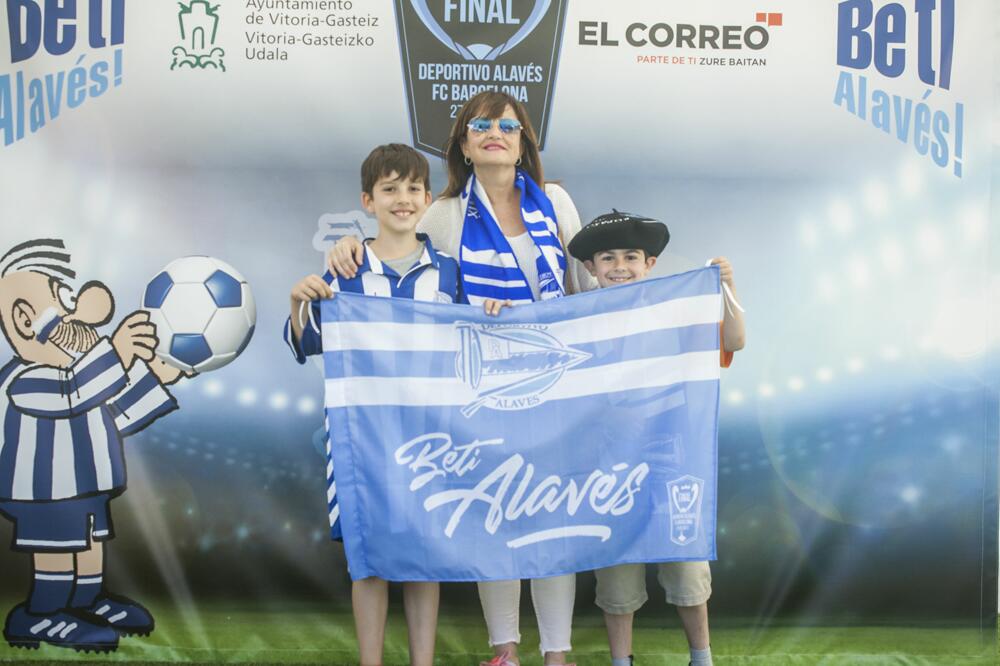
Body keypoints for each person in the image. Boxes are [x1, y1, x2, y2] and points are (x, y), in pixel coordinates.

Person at [326, 92, 597, 666]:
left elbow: (583, 285)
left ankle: (557, 655)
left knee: (554, 522)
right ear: (464, 145)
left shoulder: (554, 201)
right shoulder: (445, 213)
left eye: (508, 126)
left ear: (523, 142)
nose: (495, 132)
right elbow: (400, 250)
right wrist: (348, 245)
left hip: (554, 382)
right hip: (485, 385)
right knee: (497, 514)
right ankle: (506, 652)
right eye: (481, 125)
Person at [284, 143, 509, 666]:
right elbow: (308, 343)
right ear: (368, 200)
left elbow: (469, 342)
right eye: (389, 189)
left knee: (423, 557)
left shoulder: (448, 272)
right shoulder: (345, 271)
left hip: (432, 437)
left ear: (427, 199)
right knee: (370, 561)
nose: (402, 199)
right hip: (362, 438)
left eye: (412, 188)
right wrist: (297, 302)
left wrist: (492, 312)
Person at [567, 210, 746, 666]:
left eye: (631, 256)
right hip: (609, 469)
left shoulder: (675, 314)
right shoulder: (577, 320)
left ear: (649, 264)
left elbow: (733, 341)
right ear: (590, 267)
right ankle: (621, 661)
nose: (620, 266)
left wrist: (727, 288)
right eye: (608, 257)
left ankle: (701, 657)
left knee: (687, 569)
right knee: (617, 578)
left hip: (673, 462)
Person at [0, 239, 186, 652]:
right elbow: (72, 393)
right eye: (66, 302)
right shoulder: (25, 380)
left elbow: (114, 415)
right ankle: (40, 613)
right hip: (45, 493)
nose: (85, 315)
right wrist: (117, 353)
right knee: (57, 548)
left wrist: (157, 377)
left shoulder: (82, 378)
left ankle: (86, 601)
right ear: (25, 319)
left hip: (86, 486)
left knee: (88, 545)